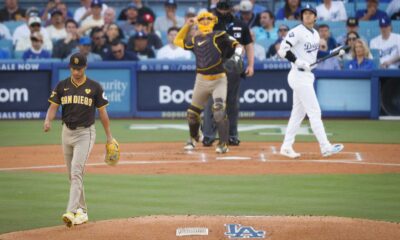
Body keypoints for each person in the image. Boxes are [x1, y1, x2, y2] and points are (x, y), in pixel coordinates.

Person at [43, 52, 115, 227]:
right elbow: (53, 106)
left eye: (79, 68)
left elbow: (103, 113)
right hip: (66, 132)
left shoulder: (94, 87)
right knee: (72, 175)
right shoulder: (62, 86)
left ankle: (71, 210)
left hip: (85, 134)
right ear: (70, 67)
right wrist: (47, 120)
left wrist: (109, 137)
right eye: (74, 68)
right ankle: (83, 211)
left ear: (85, 67)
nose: (76, 72)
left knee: (76, 171)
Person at [277, 4, 344, 158]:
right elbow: (282, 50)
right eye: (305, 13)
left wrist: (331, 53)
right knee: (314, 112)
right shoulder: (296, 32)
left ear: (315, 17)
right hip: (298, 74)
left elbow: (313, 52)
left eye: (310, 13)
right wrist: (298, 62)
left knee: (298, 114)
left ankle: (286, 146)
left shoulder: (315, 33)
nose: (307, 15)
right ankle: (325, 146)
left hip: (307, 76)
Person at [174, 11, 244, 153]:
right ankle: (194, 138)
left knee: (218, 111)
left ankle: (223, 144)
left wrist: (236, 57)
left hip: (219, 79)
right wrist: (187, 25)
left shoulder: (220, 35)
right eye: (202, 19)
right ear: (198, 21)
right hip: (201, 80)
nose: (205, 21)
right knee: (192, 114)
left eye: (208, 18)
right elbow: (177, 41)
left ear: (214, 20)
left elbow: (239, 46)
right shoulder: (195, 39)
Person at [202, 0, 254, 147]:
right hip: (214, 64)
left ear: (231, 8)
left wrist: (250, 65)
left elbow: (249, 45)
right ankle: (208, 135)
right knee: (212, 101)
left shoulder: (240, 24)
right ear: (216, 8)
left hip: (234, 64)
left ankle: (232, 135)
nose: (223, 10)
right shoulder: (209, 23)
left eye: (226, 7)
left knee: (232, 101)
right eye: (221, 7)